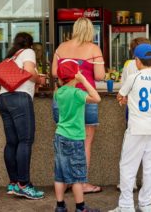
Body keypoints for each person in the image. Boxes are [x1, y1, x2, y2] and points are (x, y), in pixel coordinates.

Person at [52, 17, 105, 194]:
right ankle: (81, 183)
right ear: (91, 31)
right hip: (84, 98)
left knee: (64, 141)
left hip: (61, 100)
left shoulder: (61, 47)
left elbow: (54, 73)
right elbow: (99, 76)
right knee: (85, 143)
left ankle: (66, 182)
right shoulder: (93, 48)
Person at [109, 44, 151, 212]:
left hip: (136, 128)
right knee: (149, 168)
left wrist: (123, 100)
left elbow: (120, 95)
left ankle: (126, 206)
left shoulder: (134, 77)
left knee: (127, 167)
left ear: (137, 61)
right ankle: (146, 205)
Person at [0, 32, 44, 200]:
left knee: (12, 142)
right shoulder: (28, 52)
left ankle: (13, 183)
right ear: (30, 44)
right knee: (25, 141)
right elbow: (30, 73)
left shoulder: (11, 57)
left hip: (3, 99)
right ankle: (24, 185)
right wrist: (39, 80)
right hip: (19, 99)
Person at [54, 59, 101, 212]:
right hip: (74, 139)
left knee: (60, 174)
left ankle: (60, 206)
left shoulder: (58, 92)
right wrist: (84, 81)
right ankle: (81, 207)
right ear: (76, 75)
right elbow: (96, 98)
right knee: (77, 176)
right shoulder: (77, 93)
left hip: (60, 136)